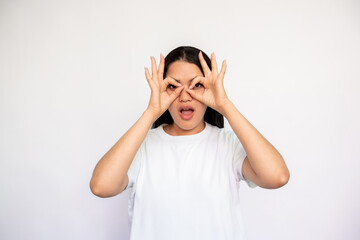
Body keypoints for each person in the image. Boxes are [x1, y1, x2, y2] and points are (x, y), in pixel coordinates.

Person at [90, 46, 290, 240]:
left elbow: (277, 177)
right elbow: (101, 186)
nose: (185, 96)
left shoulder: (227, 144)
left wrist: (225, 105)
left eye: (197, 85)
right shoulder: (143, 147)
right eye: (173, 87)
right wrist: (151, 112)